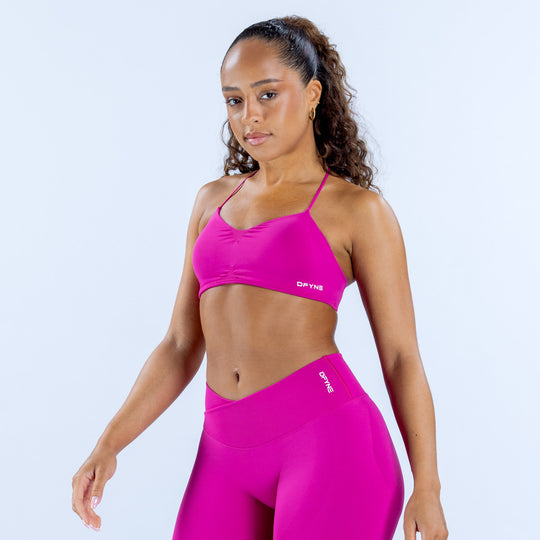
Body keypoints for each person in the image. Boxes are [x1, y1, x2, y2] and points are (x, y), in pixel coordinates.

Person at [71, 15, 448, 540]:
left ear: (312, 94)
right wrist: (108, 444)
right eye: (234, 100)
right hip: (224, 455)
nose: (249, 115)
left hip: (331, 449)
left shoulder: (358, 211)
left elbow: (402, 357)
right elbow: (180, 344)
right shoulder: (211, 201)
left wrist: (427, 485)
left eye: (267, 94)